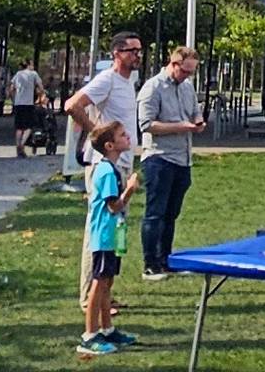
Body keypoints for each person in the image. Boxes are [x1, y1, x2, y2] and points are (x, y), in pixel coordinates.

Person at [134, 44, 208, 281]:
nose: (188, 76)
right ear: (173, 64)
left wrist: (197, 120)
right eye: (185, 71)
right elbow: (146, 125)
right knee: (155, 213)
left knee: (171, 214)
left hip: (182, 159)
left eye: (192, 72)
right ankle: (150, 264)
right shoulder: (152, 87)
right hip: (159, 158)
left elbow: (194, 111)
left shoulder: (187, 87)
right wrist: (181, 127)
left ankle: (166, 259)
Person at [77, 121, 135, 358]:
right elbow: (113, 206)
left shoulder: (111, 167)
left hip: (111, 235)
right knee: (98, 284)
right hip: (103, 235)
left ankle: (107, 328)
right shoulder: (105, 171)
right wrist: (130, 189)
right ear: (110, 145)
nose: (128, 137)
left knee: (107, 283)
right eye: (123, 135)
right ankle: (89, 335)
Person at [67, 32, 145, 182]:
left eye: (139, 51)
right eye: (133, 51)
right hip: (105, 164)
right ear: (117, 53)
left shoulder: (129, 80)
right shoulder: (107, 79)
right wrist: (97, 132)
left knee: (120, 206)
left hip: (122, 162)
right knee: (106, 206)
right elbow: (72, 105)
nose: (138, 55)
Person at [12, 61, 47, 157]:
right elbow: (40, 86)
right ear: (28, 65)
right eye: (32, 64)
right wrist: (42, 94)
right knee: (29, 126)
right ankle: (22, 144)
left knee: (19, 127)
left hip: (18, 103)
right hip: (28, 103)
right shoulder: (33, 74)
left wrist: (14, 98)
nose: (33, 66)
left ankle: (17, 145)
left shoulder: (18, 74)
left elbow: (12, 88)